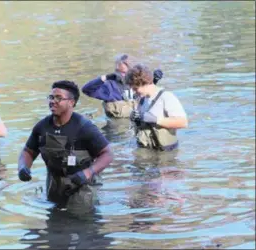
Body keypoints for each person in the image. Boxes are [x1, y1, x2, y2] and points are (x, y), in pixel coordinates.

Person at [17, 80, 113, 209]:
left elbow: (107, 154)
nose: (53, 101)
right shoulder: (42, 127)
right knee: (54, 225)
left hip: (81, 188)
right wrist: (23, 167)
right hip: (54, 186)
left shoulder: (84, 127)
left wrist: (88, 172)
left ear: (71, 103)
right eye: (51, 97)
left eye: (58, 98)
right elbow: (28, 151)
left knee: (82, 223)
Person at [125, 64, 188, 151]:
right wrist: (134, 118)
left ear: (144, 83)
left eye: (135, 89)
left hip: (165, 153)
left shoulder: (166, 97)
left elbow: (183, 122)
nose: (134, 92)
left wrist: (156, 120)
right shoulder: (142, 99)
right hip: (146, 150)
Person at [81, 53, 163, 118]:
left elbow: (147, 97)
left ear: (133, 72)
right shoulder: (110, 86)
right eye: (117, 71)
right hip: (117, 129)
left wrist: (154, 80)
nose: (120, 75)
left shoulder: (139, 84)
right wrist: (105, 77)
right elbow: (86, 90)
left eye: (124, 72)